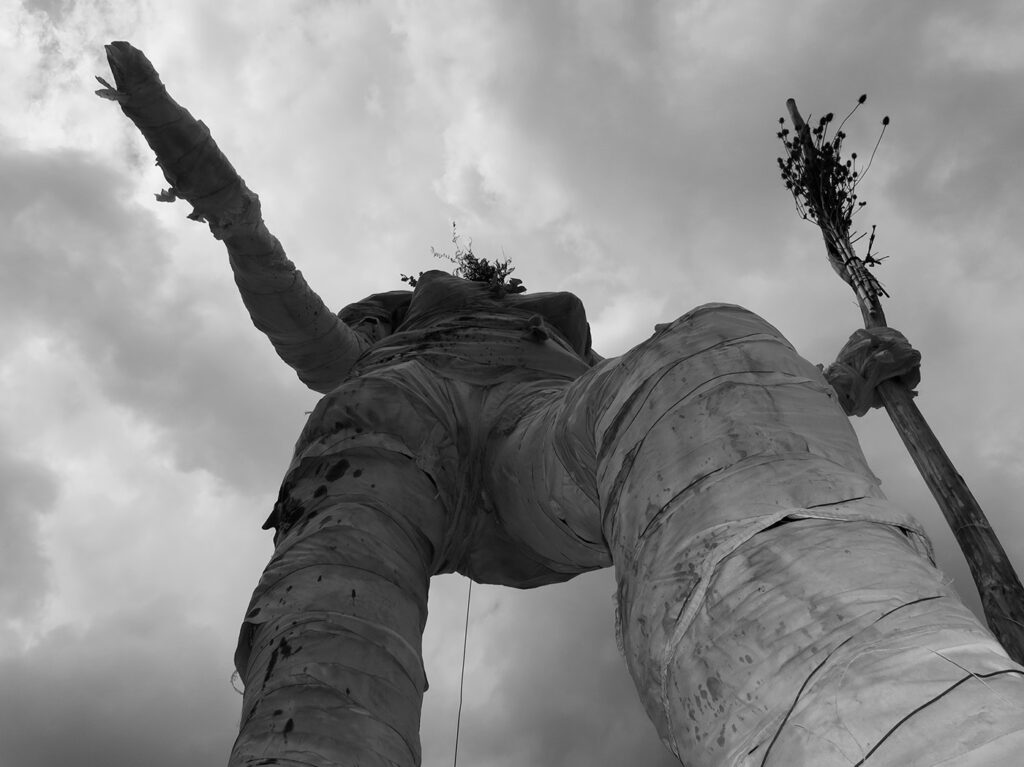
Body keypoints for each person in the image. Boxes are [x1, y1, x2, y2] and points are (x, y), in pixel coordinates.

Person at [100, 41, 1022, 767]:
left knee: (712, 343)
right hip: (391, 415)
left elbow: (695, 429)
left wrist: (840, 382)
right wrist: (227, 205)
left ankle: (905, 721)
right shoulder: (396, 326)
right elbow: (315, 341)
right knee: (334, 621)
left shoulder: (558, 338)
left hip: (543, 429)